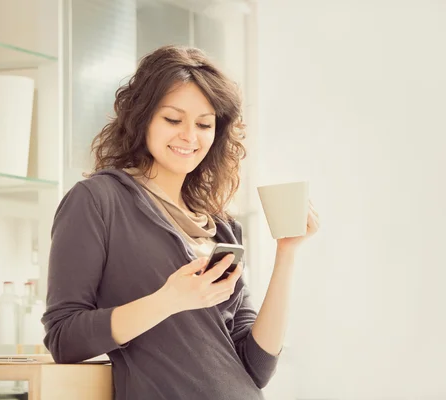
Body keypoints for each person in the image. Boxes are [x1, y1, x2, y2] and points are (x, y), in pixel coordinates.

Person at [41, 45, 320, 400]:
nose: (190, 136)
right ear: (142, 117)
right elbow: (64, 338)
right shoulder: (98, 200)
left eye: (204, 124)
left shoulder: (221, 227)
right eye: (173, 119)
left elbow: (257, 368)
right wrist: (169, 300)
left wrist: (287, 252)